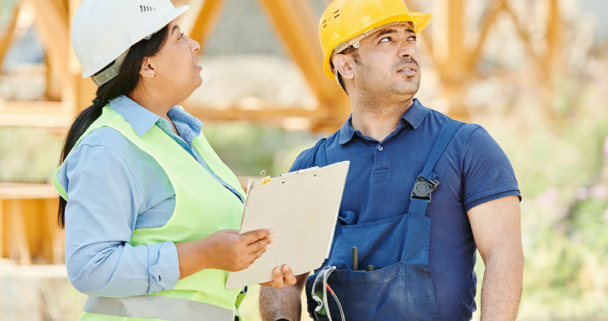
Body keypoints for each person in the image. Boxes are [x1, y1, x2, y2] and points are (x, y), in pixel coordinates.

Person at [259, 0, 524, 320]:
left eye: (410, 37)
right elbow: (280, 280)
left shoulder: (466, 147)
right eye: (386, 39)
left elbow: (502, 254)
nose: (407, 49)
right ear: (345, 65)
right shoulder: (311, 168)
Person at [54, 0, 295, 319]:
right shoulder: (107, 147)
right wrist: (204, 255)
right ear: (147, 65)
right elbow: (91, 268)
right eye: (179, 36)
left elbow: (193, 242)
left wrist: (247, 263)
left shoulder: (184, 133)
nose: (194, 44)